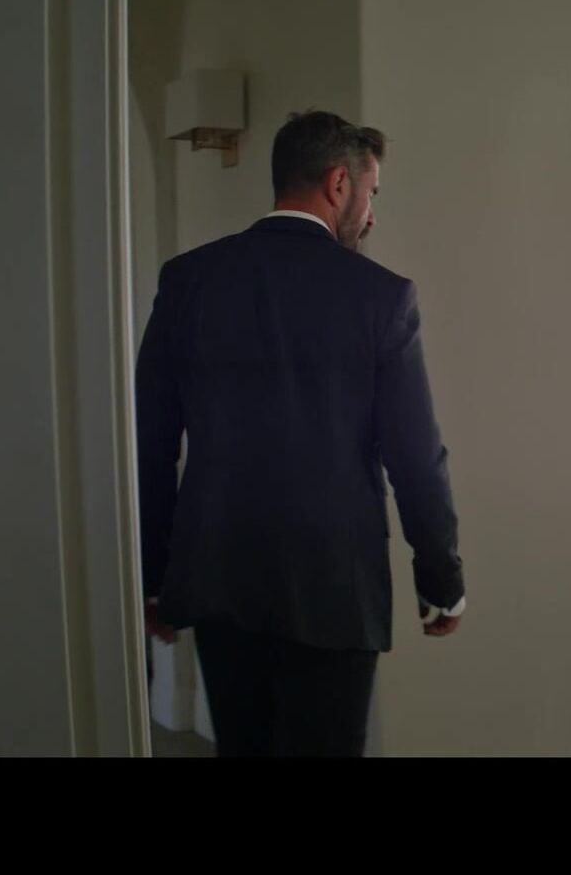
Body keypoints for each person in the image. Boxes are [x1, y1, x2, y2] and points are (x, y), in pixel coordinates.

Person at [135, 110, 465, 757]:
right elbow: (415, 457)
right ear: (339, 184)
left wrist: (154, 575)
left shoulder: (189, 280)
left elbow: (150, 441)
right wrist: (440, 579)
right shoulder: (381, 297)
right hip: (334, 587)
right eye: (371, 194)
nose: (371, 215)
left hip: (219, 577)